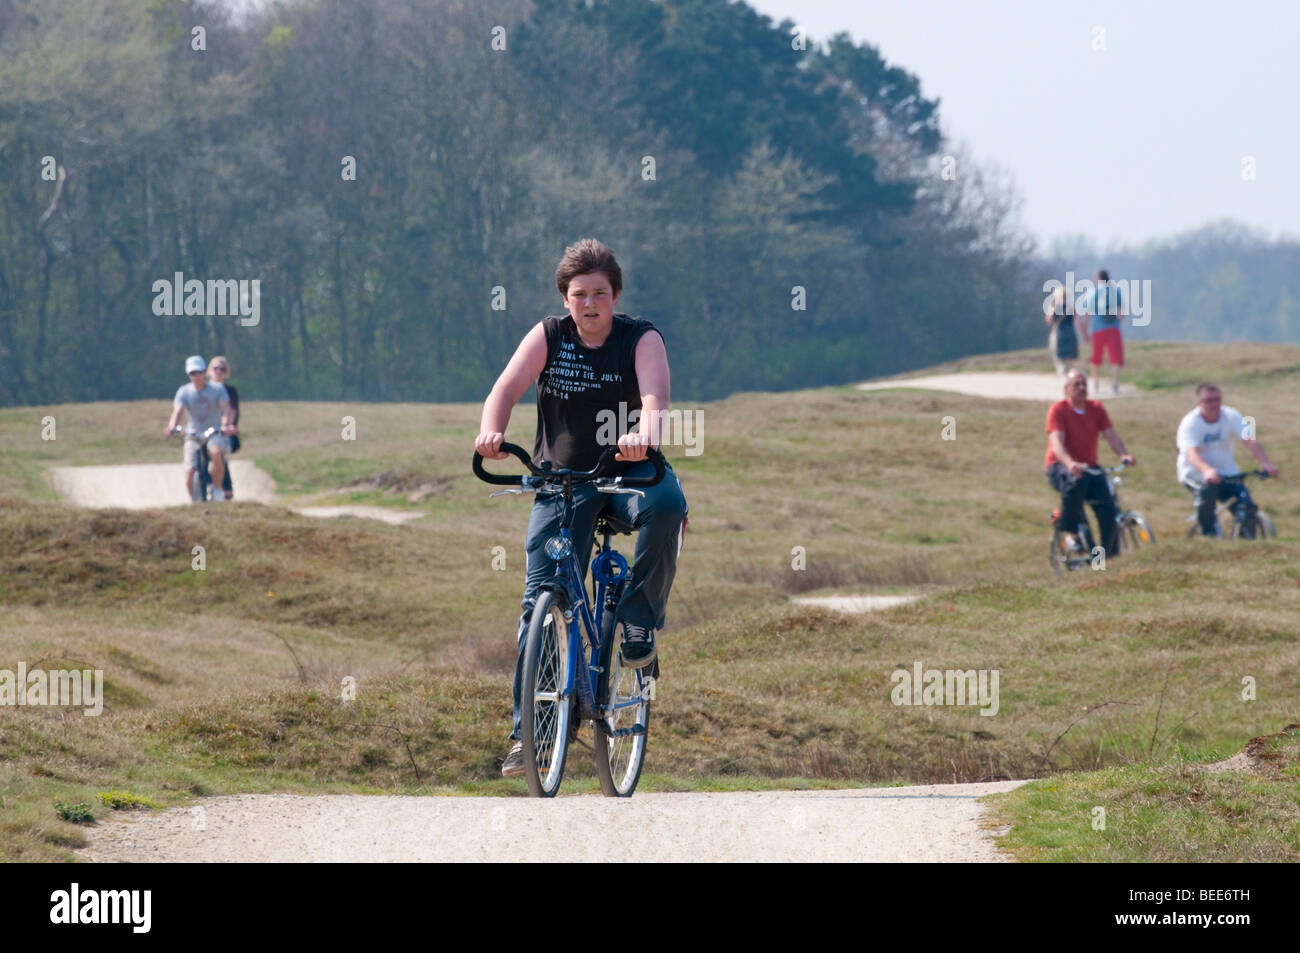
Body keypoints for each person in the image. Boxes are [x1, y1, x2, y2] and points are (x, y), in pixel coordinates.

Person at [475, 239, 688, 779]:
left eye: (599, 293)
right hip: (565, 480)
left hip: (631, 471)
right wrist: (491, 429)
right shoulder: (549, 335)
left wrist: (644, 433)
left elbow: (656, 400)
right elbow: (506, 386)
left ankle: (638, 623)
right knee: (539, 603)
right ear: (565, 300)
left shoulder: (641, 338)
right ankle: (530, 736)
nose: (589, 303)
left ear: (615, 295)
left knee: (669, 508)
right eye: (579, 295)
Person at [1045, 369, 1136, 557]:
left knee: (1108, 510)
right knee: (1077, 481)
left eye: (1084, 384)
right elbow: (1057, 444)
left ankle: (1106, 561)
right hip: (1060, 466)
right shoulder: (1059, 410)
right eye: (1076, 384)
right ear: (1066, 389)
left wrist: (1123, 455)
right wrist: (1070, 463)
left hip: (1090, 468)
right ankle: (1071, 532)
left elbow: (1110, 435)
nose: (1081, 388)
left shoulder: (1096, 409)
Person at [1176, 382, 1278, 536]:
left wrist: (1265, 463)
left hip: (1227, 472)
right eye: (1209, 401)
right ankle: (1208, 534)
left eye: (1217, 399)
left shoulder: (1231, 415)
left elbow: (1249, 440)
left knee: (1246, 506)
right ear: (1199, 403)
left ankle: (1247, 542)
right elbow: (1191, 453)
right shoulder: (1191, 422)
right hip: (1195, 472)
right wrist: (1207, 470)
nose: (1214, 404)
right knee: (1207, 490)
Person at [165, 355, 235, 501]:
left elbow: (226, 409)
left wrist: (225, 424)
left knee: (216, 453)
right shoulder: (184, 391)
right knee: (190, 471)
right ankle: (194, 502)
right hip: (193, 433)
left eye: (198, 372)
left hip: (213, 431)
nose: (196, 376)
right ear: (188, 374)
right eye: (192, 373)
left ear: (204, 372)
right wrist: (172, 427)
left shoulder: (217, 389)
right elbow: (177, 412)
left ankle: (216, 490)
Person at [1080, 269, 1125, 396]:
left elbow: (1088, 313)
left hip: (1098, 328)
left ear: (1097, 278)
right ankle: (1114, 385)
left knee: (1096, 356)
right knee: (1115, 357)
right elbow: (1121, 313)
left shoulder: (1092, 291)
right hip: (1113, 328)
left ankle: (1095, 384)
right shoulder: (1115, 291)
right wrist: (1117, 324)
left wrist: (1086, 332)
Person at [207, 356, 240, 500]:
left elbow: (232, 411)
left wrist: (226, 426)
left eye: (222, 369)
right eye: (215, 368)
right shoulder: (202, 389)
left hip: (223, 431)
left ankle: (224, 488)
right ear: (209, 371)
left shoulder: (230, 391)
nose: (218, 371)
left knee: (218, 452)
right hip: (204, 430)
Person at [1044, 285, 1083, 378]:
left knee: (1060, 360)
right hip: (1071, 334)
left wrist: (1051, 307)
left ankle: (1065, 380)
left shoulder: (1055, 308)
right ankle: (1071, 378)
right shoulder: (1071, 308)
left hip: (1059, 335)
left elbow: (1048, 320)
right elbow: (1076, 321)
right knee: (1070, 361)